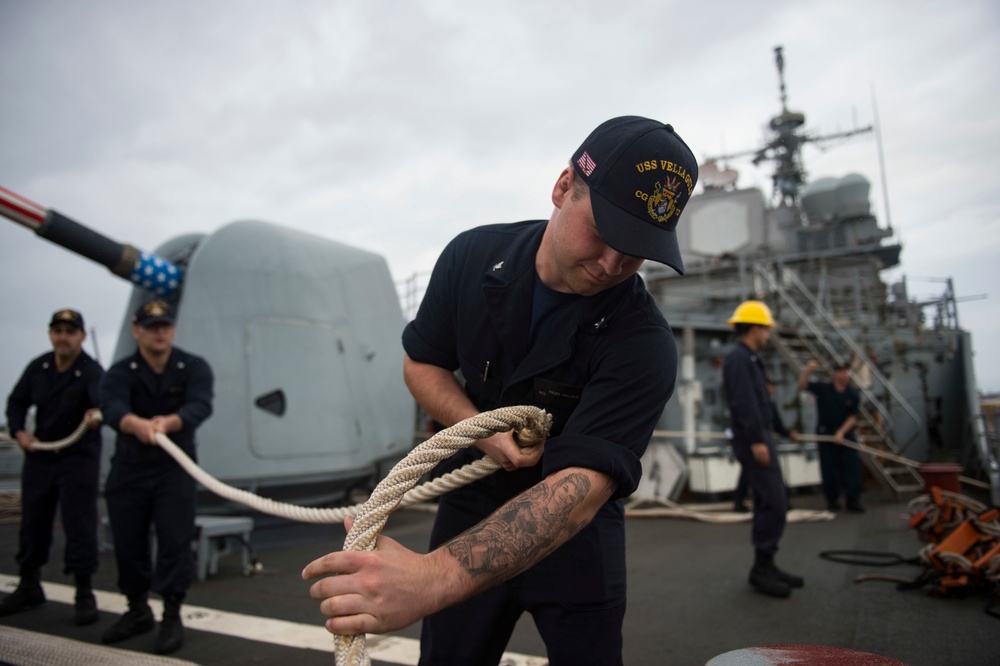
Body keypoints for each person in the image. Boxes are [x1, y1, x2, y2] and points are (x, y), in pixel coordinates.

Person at [303, 116, 698, 665]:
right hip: (474, 498)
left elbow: (581, 488)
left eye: (636, 249)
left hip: (575, 528)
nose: (613, 264)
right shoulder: (469, 259)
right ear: (563, 187)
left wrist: (430, 577)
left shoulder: (644, 342)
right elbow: (422, 365)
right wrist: (480, 430)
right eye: (606, 232)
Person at [99, 299, 214, 655]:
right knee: (128, 541)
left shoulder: (193, 367)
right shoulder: (120, 372)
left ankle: (171, 614)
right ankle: (137, 609)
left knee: (174, 541)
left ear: (173, 329)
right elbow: (111, 406)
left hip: (173, 471)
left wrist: (170, 422)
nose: (159, 331)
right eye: (151, 326)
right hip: (130, 468)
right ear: (137, 331)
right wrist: (134, 424)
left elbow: (200, 404)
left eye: (164, 325)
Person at [1, 309, 104, 625]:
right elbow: (16, 401)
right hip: (41, 457)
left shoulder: (91, 371)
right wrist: (19, 432)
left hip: (78, 457)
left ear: (82, 337)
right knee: (33, 522)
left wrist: (99, 415)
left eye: (70, 332)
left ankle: (84, 592)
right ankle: (29, 584)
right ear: (50, 334)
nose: (63, 337)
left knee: (79, 525)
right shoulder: (39, 367)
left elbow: (105, 403)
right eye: (58, 331)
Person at [722, 300, 803, 598]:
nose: (769, 335)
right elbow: (744, 403)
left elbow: (763, 403)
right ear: (755, 328)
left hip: (761, 436)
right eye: (767, 329)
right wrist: (757, 439)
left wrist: (782, 431)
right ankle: (761, 568)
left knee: (772, 500)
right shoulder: (738, 359)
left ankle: (766, 563)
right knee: (774, 502)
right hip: (752, 438)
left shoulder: (751, 359)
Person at [797, 359, 864, 512]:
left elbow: (852, 417)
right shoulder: (823, 388)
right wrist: (808, 370)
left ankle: (853, 499)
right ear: (835, 374)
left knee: (851, 467)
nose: (845, 375)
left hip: (845, 435)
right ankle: (832, 500)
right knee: (829, 469)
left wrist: (841, 433)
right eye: (841, 371)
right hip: (825, 434)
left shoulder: (852, 394)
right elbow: (802, 385)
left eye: (846, 371)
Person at [732, 376, 798, 512]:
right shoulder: (759, 403)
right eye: (770, 385)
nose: (773, 388)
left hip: (756, 440)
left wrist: (788, 434)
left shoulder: (766, 402)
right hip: (756, 441)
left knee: (751, 473)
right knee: (766, 472)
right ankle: (777, 501)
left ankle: (745, 500)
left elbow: (777, 424)